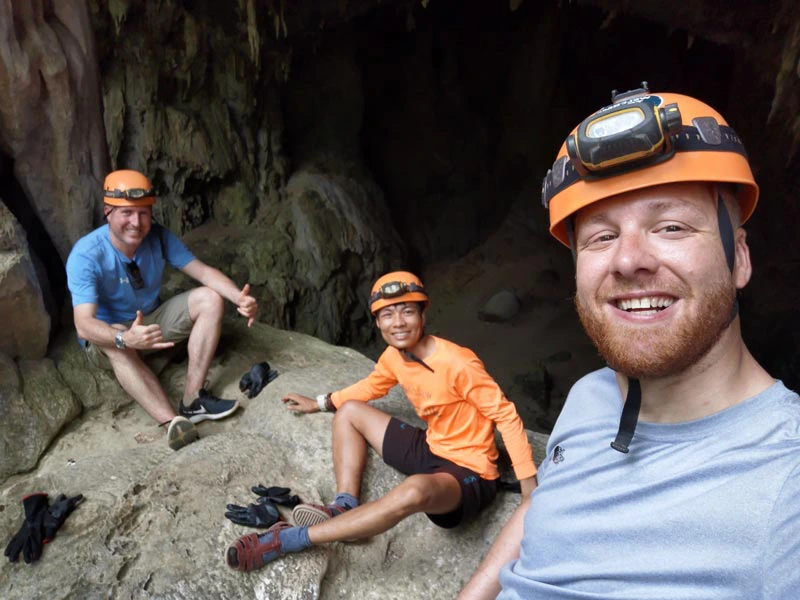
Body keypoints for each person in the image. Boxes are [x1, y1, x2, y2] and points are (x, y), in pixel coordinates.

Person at [460, 85, 800, 599]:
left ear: (741, 259)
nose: (627, 260)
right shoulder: (592, 395)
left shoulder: (787, 479)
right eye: (601, 236)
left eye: (671, 226)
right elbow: (548, 503)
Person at [225, 271, 537, 572]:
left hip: (470, 472)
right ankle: (344, 506)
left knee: (414, 491)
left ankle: (289, 539)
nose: (398, 323)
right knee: (349, 413)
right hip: (431, 449)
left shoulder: (457, 362)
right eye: (387, 315)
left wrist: (528, 495)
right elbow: (371, 387)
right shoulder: (393, 356)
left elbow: (506, 415)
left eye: (407, 312)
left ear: (422, 315)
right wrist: (320, 403)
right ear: (377, 322)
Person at [66, 169, 259, 450]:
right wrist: (124, 339)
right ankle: (173, 424)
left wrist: (238, 299)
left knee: (210, 299)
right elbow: (83, 324)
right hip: (112, 337)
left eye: (143, 213)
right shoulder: (86, 255)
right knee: (117, 336)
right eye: (127, 213)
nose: (137, 222)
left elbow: (203, 272)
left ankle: (194, 400)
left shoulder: (157, 236)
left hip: (150, 324)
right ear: (108, 211)